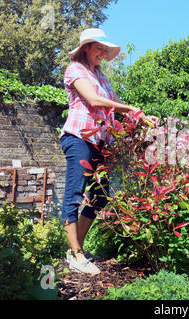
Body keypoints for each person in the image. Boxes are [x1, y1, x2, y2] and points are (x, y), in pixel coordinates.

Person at [60, 28, 157, 275]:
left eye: (105, 49)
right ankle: (76, 254)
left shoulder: (101, 77)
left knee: (100, 195)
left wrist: (140, 117)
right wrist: (131, 108)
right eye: (99, 48)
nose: (103, 53)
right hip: (79, 137)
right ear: (86, 48)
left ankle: (76, 249)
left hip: (100, 141)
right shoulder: (75, 70)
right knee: (74, 193)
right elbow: (93, 101)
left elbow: (114, 107)